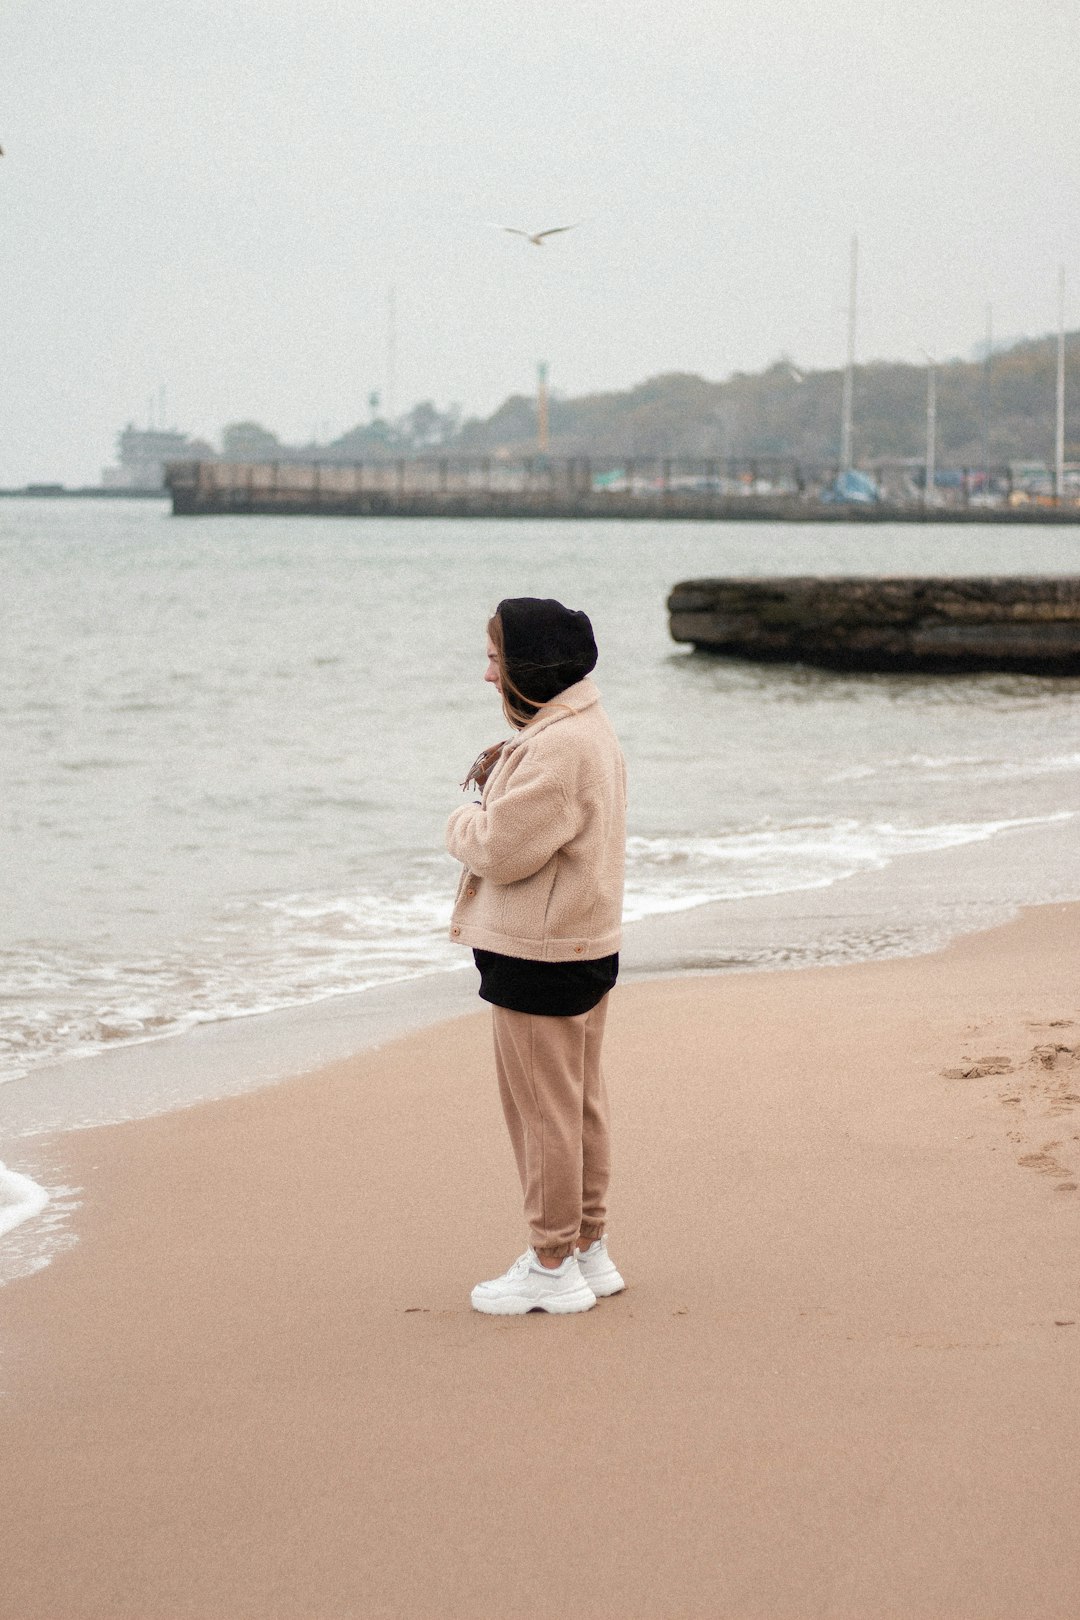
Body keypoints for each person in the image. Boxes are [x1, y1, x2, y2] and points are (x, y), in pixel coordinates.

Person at [446, 597, 627, 1315]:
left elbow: (503, 849)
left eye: (495, 660)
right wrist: (508, 767)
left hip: (542, 951)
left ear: (527, 667)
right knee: (576, 1102)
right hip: (584, 940)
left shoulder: (557, 747)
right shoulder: (584, 726)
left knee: (543, 1112)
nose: (487, 676)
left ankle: (552, 1262)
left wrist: (463, 816)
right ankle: (587, 1248)